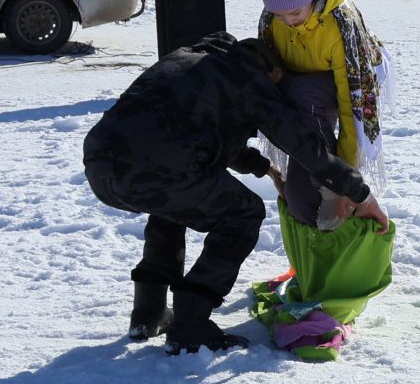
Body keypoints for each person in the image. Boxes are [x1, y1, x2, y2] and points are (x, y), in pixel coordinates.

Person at [83, 31, 369, 354]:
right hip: (157, 166)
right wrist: (359, 193)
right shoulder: (248, 79)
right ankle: (191, 321)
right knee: (244, 214)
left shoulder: (186, 61)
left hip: (100, 162)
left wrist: (264, 168)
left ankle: (148, 312)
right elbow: (304, 147)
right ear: (268, 71)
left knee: (171, 202)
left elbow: (202, 135)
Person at [248, 0, 396, 359]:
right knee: (298, 117)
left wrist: (345, 175)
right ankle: (312, 203)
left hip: (337, 87)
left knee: (310, 117)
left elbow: (351, 103)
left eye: (296, 13)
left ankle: (326, 201)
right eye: (280, 15)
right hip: (299, 91)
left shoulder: (340, 24)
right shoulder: (272, 20)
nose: (288, 21)